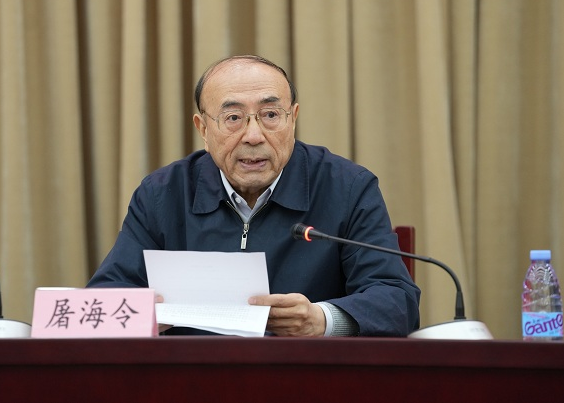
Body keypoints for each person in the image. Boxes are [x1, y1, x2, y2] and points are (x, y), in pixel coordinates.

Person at [87, 54, 421, 337]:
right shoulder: (163, 193)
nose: (254, 135)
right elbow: (103, 298)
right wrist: (141, 316)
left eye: (271, 115)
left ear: (293, 119)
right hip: (191, 378)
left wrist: (320, 320)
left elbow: (396, 301)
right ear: (203, 129)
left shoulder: (347, 187)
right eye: (233, 118)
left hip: (306, 377)